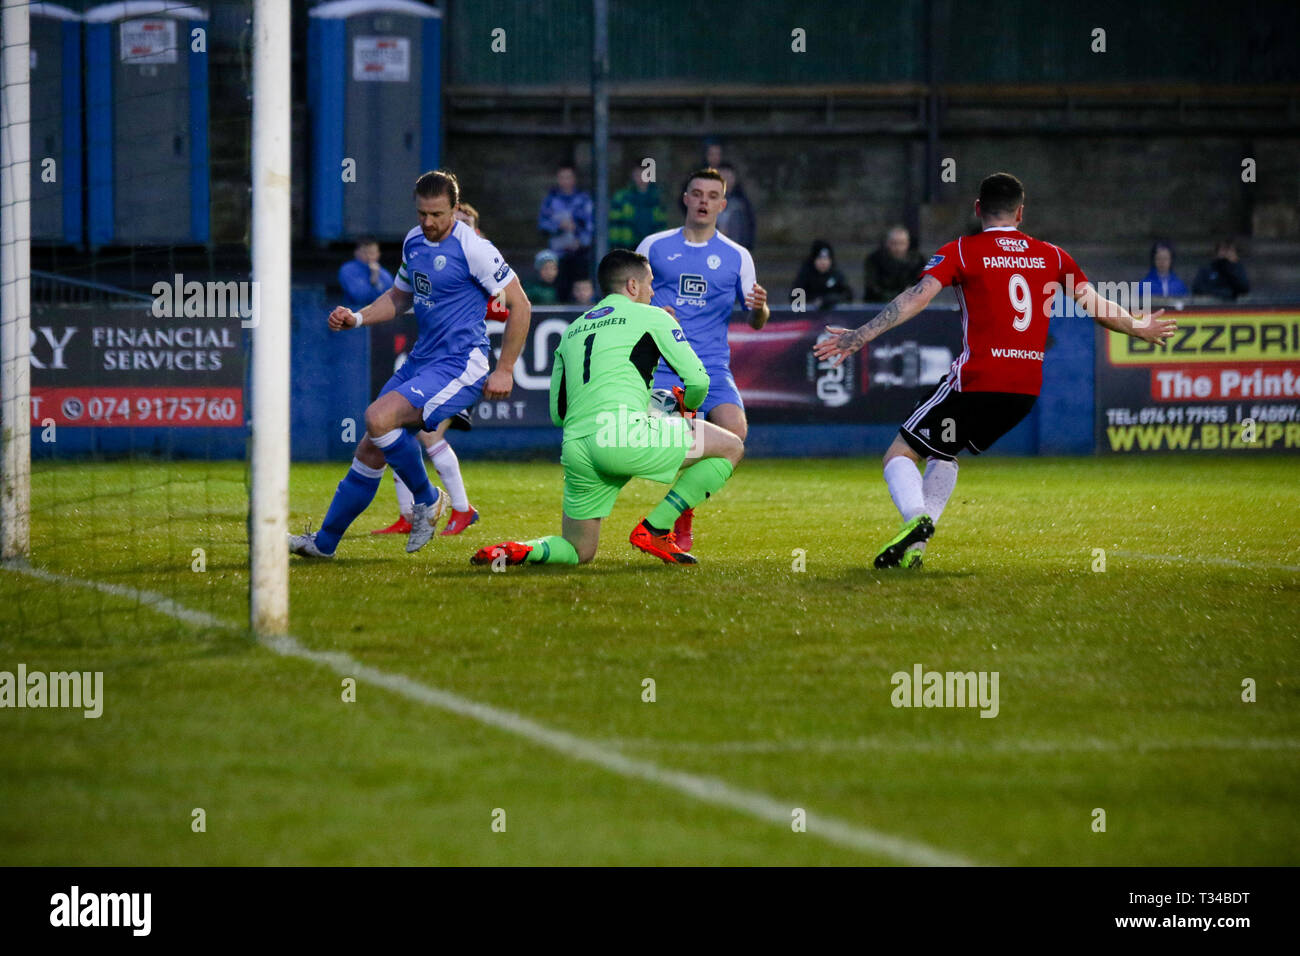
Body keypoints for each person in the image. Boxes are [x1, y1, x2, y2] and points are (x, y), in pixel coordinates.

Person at [814, 172, 1177, 569]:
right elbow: (1096, 305)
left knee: (899, 454)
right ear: (1021, 212)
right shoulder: (1053, 255)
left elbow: (916, 298)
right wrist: (1138, 327)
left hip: (978, 381)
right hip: (1022, 392)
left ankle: (916, 519)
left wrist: (861, 335)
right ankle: (914, 552)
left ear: (977, 209)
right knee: (944, 454)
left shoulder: (962, 251)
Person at [289, 169, 531, 558]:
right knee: (370, 451)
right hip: (422, 360)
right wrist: (358, 317)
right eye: (422, 213)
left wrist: (504, 369)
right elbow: (400, 298)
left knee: (378, 418)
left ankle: (428, 497)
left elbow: (521, 304)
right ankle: (324, 543)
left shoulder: (475, 249)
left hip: (460, 363)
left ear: (455, 208)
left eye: (437, 214)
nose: (428, 222)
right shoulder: (414, 241)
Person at [472, 250, 744, 568]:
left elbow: (558, 414)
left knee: (579, 551)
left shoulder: (571, 332)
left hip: (577, 449)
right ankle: (656, 528)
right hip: (624, 437)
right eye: (650, 284)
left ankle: (519, 549)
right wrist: (685, 409)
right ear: (632, 285)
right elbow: (698, 381)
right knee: (731, 446)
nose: (653, 292)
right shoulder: (654, 316)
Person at [636, 167, 769, 552]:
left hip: (711, 368)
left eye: (713, 196)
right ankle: (672, 518)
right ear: (686, 198)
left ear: (723, 205)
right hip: (661, 366)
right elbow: (630, 297)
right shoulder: (654, 246)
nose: (704, 202)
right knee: (668, 447)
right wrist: (653, 310)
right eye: (697, 194)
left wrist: (762, 308)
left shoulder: (737, 256)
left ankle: (677, 515)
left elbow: (756, 320)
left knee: (735, 434)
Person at [372, 201, 490, 537]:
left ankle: (462, 509)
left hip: (462, 363)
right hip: (431, 360)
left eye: (466, 222)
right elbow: (408, 295)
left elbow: (508, 307)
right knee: (402, 433)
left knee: (422, 432)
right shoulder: (429, 253)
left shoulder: (479, 260)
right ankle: (409, 514)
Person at [537, 164, 593, 300]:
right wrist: (559, 226)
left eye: (568, 177)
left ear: (574, 179)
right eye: (562, 177)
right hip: (557, 256)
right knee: (560, 292)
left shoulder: (584, 199)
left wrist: (581, 240)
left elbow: (592, 226)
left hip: (580, 254)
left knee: (581, 293)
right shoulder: (551, 200)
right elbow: (542, 224)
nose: (565, 181)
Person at [609, 163, 667, 251]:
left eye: (645, 175)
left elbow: (661, 225)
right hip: (627, 247)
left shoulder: (656, 199)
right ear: (632, 176)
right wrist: (615, 248)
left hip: (650, 248)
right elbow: (615, 225)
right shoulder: (622, 197)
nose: (641, 179)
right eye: (638, 175)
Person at [863, 225, 926, 302]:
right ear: (887, 243)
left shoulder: (918, 260)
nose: (898, 247)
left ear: (908, 243)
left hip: (910, 303)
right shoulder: (874, 260)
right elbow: (872, 286)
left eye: (902, 243)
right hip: (879, 304)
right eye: (894, 243)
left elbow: (921, 284)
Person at [789, 240, 852, 310]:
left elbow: (848, 295)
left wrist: (829, 300)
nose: (823, 262)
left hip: (834, 317)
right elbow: (795, 298)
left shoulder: (837, 276)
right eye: (819, 258)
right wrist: (812, 301)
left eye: (826, 259)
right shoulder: (805, 276)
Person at [338, 236, 393, 309]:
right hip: (354, 313)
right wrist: (373, 281)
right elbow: (360, 298)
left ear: (378, 254)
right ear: (356, 253)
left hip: (380, 315)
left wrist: (376, 282)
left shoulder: (385, 274)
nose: (369, 256)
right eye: (365, 253)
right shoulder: (347, 270)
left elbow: (391, 299)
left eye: (372, 253)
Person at [714, 163, 755, 250]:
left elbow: (750, 223)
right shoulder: (709, 200)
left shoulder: (742, 201)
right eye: (722, 177)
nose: (726, 181)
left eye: (729, 177)